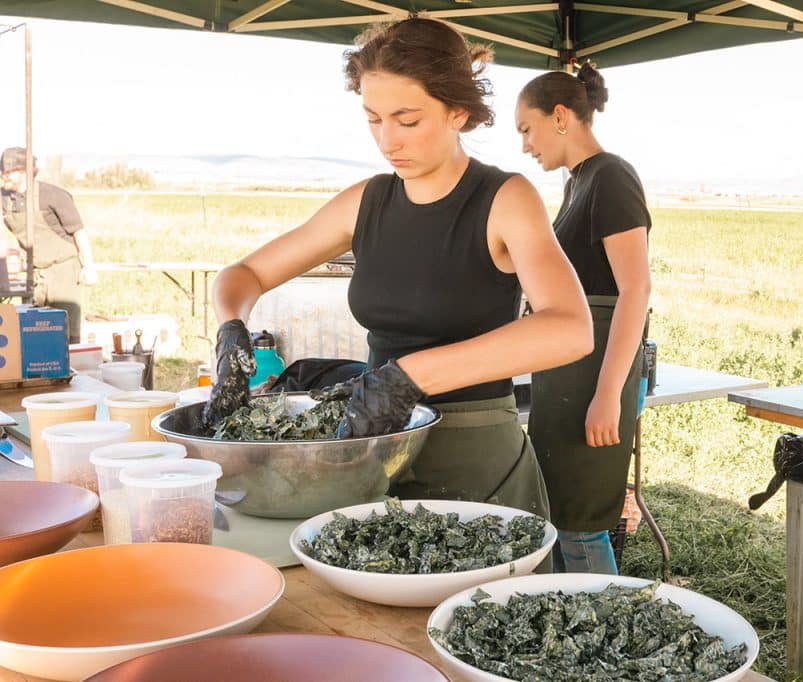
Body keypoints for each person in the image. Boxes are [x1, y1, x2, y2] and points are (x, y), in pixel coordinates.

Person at [204, 18, 593, 518]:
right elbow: (245, 275)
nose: (388, 141)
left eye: (407, 121)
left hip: (473, 458)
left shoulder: (505, 199)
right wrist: (231, 329)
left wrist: (409, 376)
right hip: (374, 449)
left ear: (458, 111)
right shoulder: (365, 201)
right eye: (374, 119)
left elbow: (570, 329)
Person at [515, 63, 652, 574]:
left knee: (580, 522)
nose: (525, 146)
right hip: (569, 376)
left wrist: (607, 394)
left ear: (559, 117)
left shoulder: (611, 176)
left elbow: (635, 289)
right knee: (559, 515)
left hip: (597, 375)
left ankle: (606, 617)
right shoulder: (579, 182)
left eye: (526, 129)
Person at [1, 147, 97, 343]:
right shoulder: (5, 199)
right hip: (35, 274)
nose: (4, 175)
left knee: (66, 333)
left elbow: (78, 231)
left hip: (63, 271)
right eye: (2, 171)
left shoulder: (53, 195)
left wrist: (89, 266)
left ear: (25, 171)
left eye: (8, 171)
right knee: (33, 332)